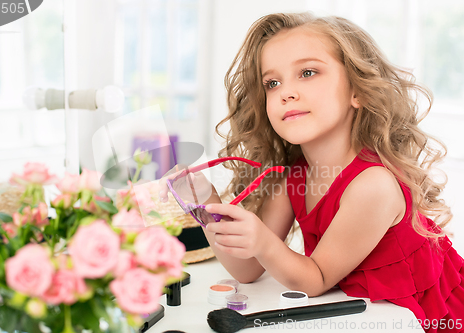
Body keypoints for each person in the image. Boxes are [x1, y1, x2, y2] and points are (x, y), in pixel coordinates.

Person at [160, 12, 464, 332]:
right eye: (272, 82)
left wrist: (263, 240)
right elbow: (247, 270)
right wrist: (204, 200)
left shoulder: (374, 185)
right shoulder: (293, 177)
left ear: (356, 91)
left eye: (307, 72)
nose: (285, 92)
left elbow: (315, 279)